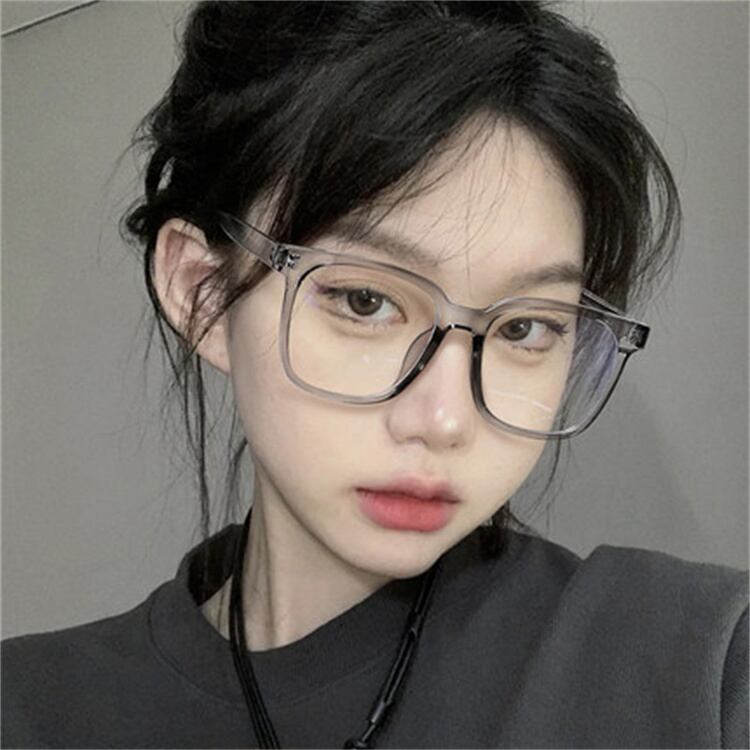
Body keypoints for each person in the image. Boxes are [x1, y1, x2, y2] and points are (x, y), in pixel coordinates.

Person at [2, 1, 747, 748]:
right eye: (365, 300)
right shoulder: (32, 710)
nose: (445, 420)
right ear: (204, 294)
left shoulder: (695, 668)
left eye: (524, 328)